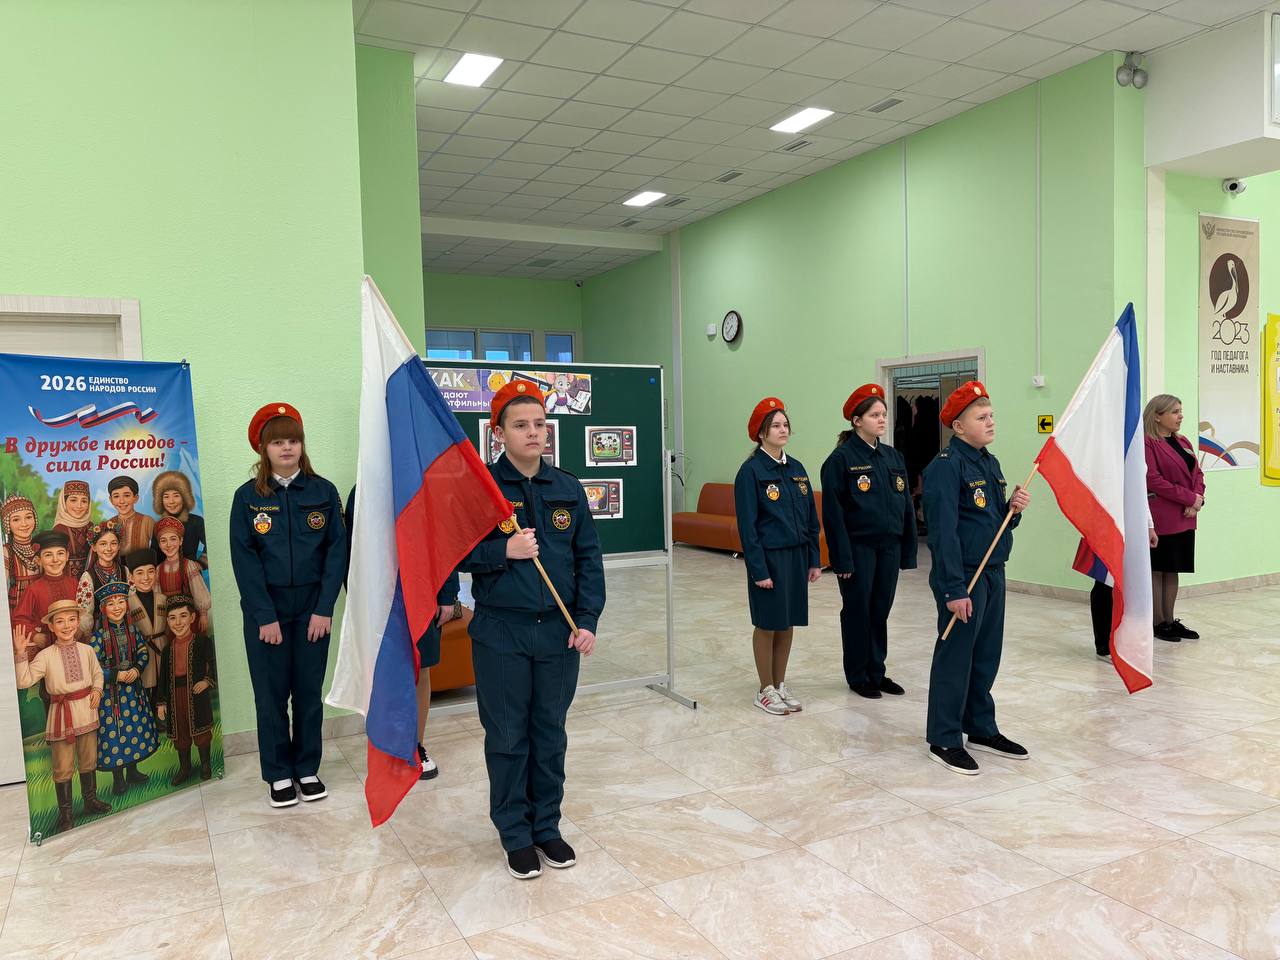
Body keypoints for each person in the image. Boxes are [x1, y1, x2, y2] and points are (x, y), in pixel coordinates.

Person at [461, 381, 603, 881]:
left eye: (540, 424)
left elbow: (589, 559)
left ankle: (546, 826)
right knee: (507, 736)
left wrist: (587, 620)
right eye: (520, 425)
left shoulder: (567, 487)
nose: (533, 433)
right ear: (498, 433)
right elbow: (457, 554)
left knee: (549, 734)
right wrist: (504, 551)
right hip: (502, 632)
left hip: (557, 634)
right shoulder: (483, 490)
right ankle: (515, 834)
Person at [229, 403, 346, 809]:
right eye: (277, 442)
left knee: (309, 693)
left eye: (293, 440)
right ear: (263, 448)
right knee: (271, 695)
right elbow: (244, 560)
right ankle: (279, 773)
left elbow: (336, 552)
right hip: (267, 612)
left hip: (312, 609)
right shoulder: (247, 498)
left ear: (302, 445)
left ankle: (307, 768)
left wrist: (325, 608)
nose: (287, 448)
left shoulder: (323, 492)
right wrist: (265, 616)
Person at [922, 381, 1031, 775]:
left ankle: (980, 727)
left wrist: (1013, 510)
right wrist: (953, 588)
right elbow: (943, 534)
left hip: (993, 572)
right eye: (981, 417)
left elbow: (992, 522)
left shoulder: (989, 462)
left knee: (985, 656)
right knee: (955, 658)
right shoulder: (945, 467)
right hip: (964, 577)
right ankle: (944, 737)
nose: (990, 422)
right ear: (958, 425)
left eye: (991, 415)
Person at [344, 487, 457, 781]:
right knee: (384, 673)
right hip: (381, 598)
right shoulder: (365, 487)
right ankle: (389, 747)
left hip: (424, 592)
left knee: (421, 669)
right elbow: (352, 549)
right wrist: (357, 598)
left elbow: (446, 540)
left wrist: (447, 594)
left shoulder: (426, 483)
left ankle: (416, 745)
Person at [821, 384, 917, 699]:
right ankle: (858, 675)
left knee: (880, 610)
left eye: (883, 414)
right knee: (857, 612)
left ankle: (877, 671)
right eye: (875, 415)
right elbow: (833, 515)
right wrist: (841, 558)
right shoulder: (841, 459)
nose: (882, 420)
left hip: (889, 547)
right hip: (858, 548)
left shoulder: (892, 456)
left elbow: (905, 506)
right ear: (857, 420)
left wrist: (908, 550)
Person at [733, 397, 821, 716]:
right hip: (770, 559)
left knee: (787, 622)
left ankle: (780, 683)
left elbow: (811, 517)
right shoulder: (751, 472)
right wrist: (758, 569)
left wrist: (814, 559)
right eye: (775, 426)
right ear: (761, 433)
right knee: (768, 622)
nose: (783, 430)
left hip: (797, 557)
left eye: (785, 425)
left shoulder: (796, 468)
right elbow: (748, 527)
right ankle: (765, 689)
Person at [11, 599, 111, 831]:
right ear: (52, 626)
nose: (67, 626)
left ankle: (90, 801)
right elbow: (24, 681)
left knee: (88, 760)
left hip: (86, 712)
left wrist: (97, 690)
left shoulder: (87, 651)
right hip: (61, 716)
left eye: (72, 620)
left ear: (78, 622)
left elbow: (97, 674)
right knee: (63, 766)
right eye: (60, 621)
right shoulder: (46, 655)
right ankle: (65, 814)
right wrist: (20, 653)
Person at [88, 580, 160, 795]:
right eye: (111, 604)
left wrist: (137, 669)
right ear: (103, 609)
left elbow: (143, 652)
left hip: (133, 691)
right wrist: (115, 675)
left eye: (121, 601)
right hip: (110, 697)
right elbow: (93, 666)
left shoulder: (133, 630)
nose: (117, 607)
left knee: (134, 727)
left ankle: (133, 772)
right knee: (115, 734)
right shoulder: (98, 637)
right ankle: (118, 779)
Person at [1143, 394, 1205, 642]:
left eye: (1181, 410)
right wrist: (1189, 498)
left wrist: (1197, 498)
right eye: (1175, 411)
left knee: (1173, 569)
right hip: (1163, 516)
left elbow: (1197, 473)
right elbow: (1153, 479)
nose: (1181, 416)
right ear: (1157, 416)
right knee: (1158, 569)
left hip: (1185, 515)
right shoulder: (1148, 443)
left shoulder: (1183, 441)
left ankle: (1170, 620)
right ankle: (1157, 623)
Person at [1073, 508, 1157, 662]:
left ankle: (1123, 640)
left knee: (1129, 586)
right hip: (1106, 524)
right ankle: (1103, 646)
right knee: (1105, 585)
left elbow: (1140, 499)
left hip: (1132, 528)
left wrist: (1149, 525)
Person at [155, 595, 217, 785]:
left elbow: (214, 664)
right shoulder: (167, 650)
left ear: (192, 618)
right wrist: (161, 702)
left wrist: (207, 681)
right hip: (175, 697)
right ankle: (185, 767)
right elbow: (163, 678)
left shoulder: (202, 642)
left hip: (196, 694)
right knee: (180, 732)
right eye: (172, 618)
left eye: (183, 616)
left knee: (200, 730)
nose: (178, 622)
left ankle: (205, 765)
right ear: (167, 622)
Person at [12, 530, 80, 658]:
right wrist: (35, 635)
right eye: (48, 555)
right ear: (38, 560)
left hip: (73, 643)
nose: (55, 560)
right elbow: (19, 619)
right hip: (46, 650)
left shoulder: (75, 584)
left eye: (60, 553)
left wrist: (79, 629)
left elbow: (84, 610)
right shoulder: (33, 589)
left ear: (67, 556)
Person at [124, 548, 169, 709]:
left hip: (162, 649)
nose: (146, 577)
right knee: (145, 691)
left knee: (164, 687)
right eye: (139, 573)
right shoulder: (127, 603)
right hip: (141, 652)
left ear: (156, 574)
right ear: (131, 577)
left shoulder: (163, 599)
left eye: (150, 571)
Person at [155, 516, 212, 634]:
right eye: (163, 540)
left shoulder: (189, 565)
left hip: (189, 619)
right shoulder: (158, 569)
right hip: (169, 621)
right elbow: (157, 597)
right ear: (159, 545)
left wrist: (203, 614)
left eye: (173, 539)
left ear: (180, 541)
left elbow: (198, 590)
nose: (168, 544)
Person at [151, 471, 207, 569]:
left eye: (176, 495)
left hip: (191, 574)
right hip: (165, 574)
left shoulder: (196, 522)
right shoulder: (158, 525)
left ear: (185, 497)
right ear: (160, 500)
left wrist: (199, 564)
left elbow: (211, 544)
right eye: (166, 496)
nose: (171, 501)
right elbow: (154, 555)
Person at [76, 523, 124, 635]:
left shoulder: (124, 571)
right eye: (103, 544)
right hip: (100, 631)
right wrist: (87, 633)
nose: (109, 548)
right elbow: (85, 612)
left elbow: (133, 602)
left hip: (125, 627)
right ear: (94, 547)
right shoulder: (88, 577)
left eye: (113, 543)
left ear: (119, 546)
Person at [2, 494, 41, 612]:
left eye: (28, 517)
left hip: (41, 605)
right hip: (17, 608)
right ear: (7, 524)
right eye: (16, 519)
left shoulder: (41, 546)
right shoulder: (6, 551)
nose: (24, 524)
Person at [52, 480, 94, 579]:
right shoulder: (59, 529)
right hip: (66, 580)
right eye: (73, 500)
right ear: (64, 502)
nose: (79, 506)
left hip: (91, 579)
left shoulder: (91, 526)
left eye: (84, 501)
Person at [107, 476, 154, 554]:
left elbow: (158, 546)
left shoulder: (147, 521)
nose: (122, 501)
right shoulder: (109, 524)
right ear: (111, 500)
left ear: (136, 498)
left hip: (141, 561)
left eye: (127, 495)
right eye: (116, 496)